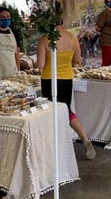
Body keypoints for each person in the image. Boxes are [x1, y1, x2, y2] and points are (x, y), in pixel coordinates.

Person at [36, 22, 96, 160]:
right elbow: (77, 60)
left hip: (49, 79)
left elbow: (40, 65)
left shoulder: (45, 39)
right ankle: (85, 139)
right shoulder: (72, 37)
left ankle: (53, 145)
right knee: (66, 110)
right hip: (67, 79)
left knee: (51, 111)